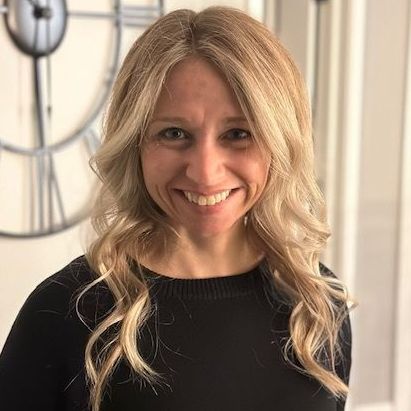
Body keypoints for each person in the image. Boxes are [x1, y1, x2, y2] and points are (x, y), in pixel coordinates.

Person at [0, 6, 354, 411]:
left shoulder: (317, 306)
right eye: (173, 133)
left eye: (238, 134)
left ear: (281, 141)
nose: (205, 171)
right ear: (135, 143)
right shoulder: (65, 312)